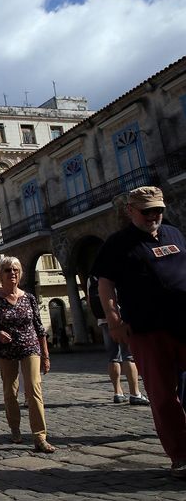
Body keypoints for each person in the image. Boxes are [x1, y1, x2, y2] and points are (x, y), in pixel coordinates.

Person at [94, 186, 186, 478]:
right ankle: (180, 456)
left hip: (184, 323)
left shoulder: (174, 234)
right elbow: (105, 283)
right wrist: (114, 319)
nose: (153, 216)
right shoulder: (118, 243)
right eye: (147, 211)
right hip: (147, 330)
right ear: (131, 211)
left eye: (158, 209)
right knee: (162, 396)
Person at [0, 257, 55, 453]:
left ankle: (40, 436)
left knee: (34, 390)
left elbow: (39, 328)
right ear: (0, 274)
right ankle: (15, 429)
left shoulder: (29, 298)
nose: (12, 273)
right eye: (7, 270)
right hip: (6, 352)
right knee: (10, 392)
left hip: (30, 347)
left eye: (15, 269)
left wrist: (46, 355)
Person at [87, 275, 149, 405]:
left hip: (104, 320)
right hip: (121, 318)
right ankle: (135, 393)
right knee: (129, 356)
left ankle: (117, 392)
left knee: (113, 357)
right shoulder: (114, 269)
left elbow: (89, 301)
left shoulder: (91, 278)